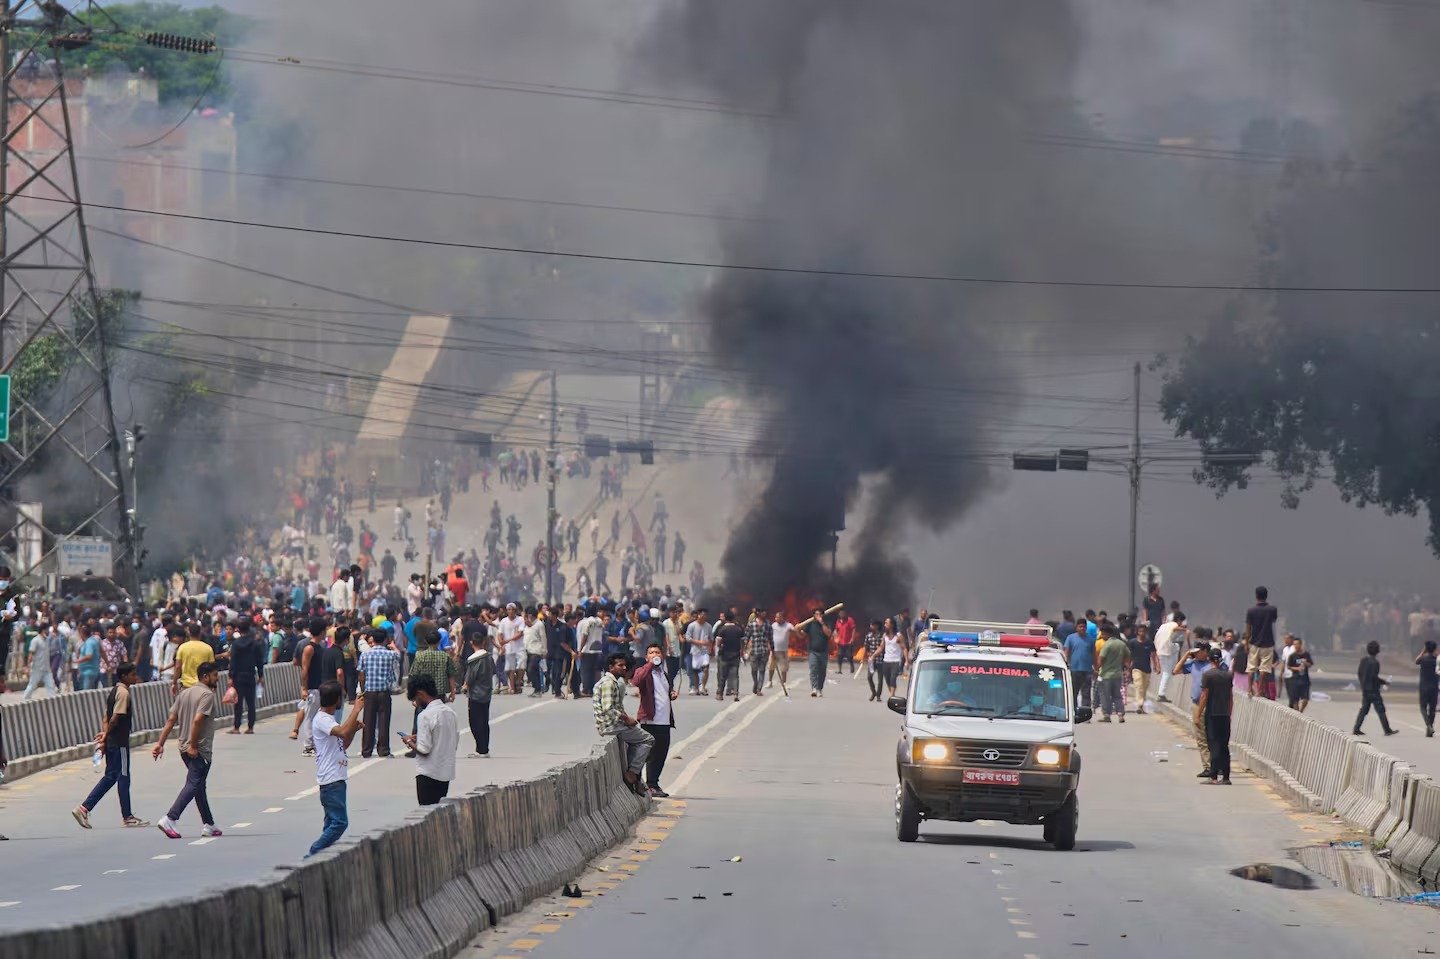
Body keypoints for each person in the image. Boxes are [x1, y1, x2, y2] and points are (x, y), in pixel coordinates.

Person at [71, 663, 148, 829]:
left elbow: (105, 717)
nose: (135, 677)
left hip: (113, 741)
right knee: (123, 777)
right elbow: (114, 718)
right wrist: (106, 735)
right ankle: (127, 816)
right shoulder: (123, 693)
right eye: (133, 674)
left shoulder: (114, 691)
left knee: (111, 777)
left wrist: (105, 736)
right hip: (119, 742)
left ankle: (84, 808)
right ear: (124, 676)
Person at [153, 662, 222, 839]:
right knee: (193, 784)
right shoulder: (207, 694)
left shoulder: (185, 693)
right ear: (205, 676)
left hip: (183, 747)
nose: (218, 678)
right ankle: (170, 818)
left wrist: (160, 743)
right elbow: (198, 720)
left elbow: (171, 719)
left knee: (199, 785)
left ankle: (209, 823)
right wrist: (193, 745)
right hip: (198, 748)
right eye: (215, 675)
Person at [308, 680, 365, 857]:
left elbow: (343, 744)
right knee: (340, 823)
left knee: (331, 823)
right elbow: (341, 732)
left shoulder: (329, 719)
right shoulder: (323, 719)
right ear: (337, 701)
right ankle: (313, 853)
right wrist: (356, 710)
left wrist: (353, 730)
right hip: (331, 779)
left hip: (335, 778)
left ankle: (320, 859)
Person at [593, 652, 652, 795]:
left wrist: (628, 719)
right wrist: (626, 720)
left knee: (636, 741)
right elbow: (608, 709)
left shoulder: (613, 682)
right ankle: (632, 773)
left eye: (624, 665)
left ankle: (634, 776)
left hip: (614, 724)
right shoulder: (609, 683)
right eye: (620, 665)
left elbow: (617, 707)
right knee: (648, 739)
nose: (623, 668)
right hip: (610, 726)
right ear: (611, 667)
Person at [399, 675, 458, 805]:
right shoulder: (450, 713)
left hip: (428, 773)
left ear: (420, 694)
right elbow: (452, 742)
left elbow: (424, 749)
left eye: (415, 699)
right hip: (445, 773)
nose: (416, 703)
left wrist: (409, 741)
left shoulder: (425, 715)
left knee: (426, 812)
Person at [633, 640, 678, 797]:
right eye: (651, 653)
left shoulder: (664, 674)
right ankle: (641, 783)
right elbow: (636, 681)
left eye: (657, 653)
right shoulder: (644, 672)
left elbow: (665, 692)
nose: (655, 655)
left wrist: (671, 694)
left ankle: (653, 783)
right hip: (650, 721)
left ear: (663, 655)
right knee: (649, 755)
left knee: (660, 755)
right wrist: (650, 665)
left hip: (664, 721)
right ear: (646, 657)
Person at [357, 630, 400, 758]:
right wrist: (393, 646)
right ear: (385, 640)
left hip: (370, 691)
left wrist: (363, 690)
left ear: (373, 640)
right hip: (384, 691)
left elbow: (361, 674)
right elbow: (399, 656)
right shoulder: (390, 654)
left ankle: (366, 750)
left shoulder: (365, 654)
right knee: (383, 721)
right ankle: (383, 750)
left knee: (368, 721)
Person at [1174, 640, 1214, 778]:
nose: (1196, 654)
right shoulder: (1193, 664)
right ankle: (1208, 766)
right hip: (1197, 704)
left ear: (1205, 652)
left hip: (1212, 704)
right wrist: (1186, 655)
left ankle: (1215, 765)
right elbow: (1176, 670)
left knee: (1212, 736)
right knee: (1201, 737)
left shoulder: (1212, 665)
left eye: (1198, 651)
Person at [1198, 647, 1233, 785]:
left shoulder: (1208, 675)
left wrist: (1198, 714)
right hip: (1225, 715)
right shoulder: (1228, 675)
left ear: (1209, 659)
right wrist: (1229, 713)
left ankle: (1213, 776)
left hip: (1212, 714)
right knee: (1224, 745)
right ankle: (1226, 777)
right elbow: (1230, 697)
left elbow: (1204, 696)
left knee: (1214, 745)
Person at [227, 619, 265, 735]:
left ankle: (236, 727)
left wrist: (230, 676)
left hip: (238, 676)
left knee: (238, 703)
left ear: (238, 629)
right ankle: (250, 727)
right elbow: (259, 661)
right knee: (251, 702)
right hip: (250, 675)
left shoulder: (236, 644)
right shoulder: (255, 644)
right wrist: (261, 675)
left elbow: (233, 661)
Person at [1354, 639, 1399, 737]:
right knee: (1380, 710)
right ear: (1378, 651)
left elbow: (1359, 673)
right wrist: (1384, 682)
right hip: (1373, 690)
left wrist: (1362, 684)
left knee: (1364, 709)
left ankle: (1356, 728)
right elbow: (1374, 677)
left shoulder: (1363, 660)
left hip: (1365, 689)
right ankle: (1387, 730)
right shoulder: (1375, 663)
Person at [460, 631, 495, 757]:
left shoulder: (474, 659)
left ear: (471, 643)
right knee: (484, 721)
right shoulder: (489, 657)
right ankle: (484, 748)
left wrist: (465, 686)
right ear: (483, 642)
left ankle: (481, 749)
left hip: (475, 694)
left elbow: (470, 676)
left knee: (475, 722)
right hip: (487, 692)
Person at [1245, 586, 1279, 699]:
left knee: (1251, 667)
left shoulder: (1251, 611)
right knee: (1264, 668)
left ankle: (1249, 689)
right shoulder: (1272, 609)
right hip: (1268, 643)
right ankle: (1260, 691)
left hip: (1254, 642)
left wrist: (1246, 643)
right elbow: (1273, 620)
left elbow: (1248, 628)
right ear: (1266, 595)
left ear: (1256, 596)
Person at [1096, 626, 1130, 722]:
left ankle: (1107, 715)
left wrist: (1096, 670)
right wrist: (1124, 665)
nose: (1102, 636)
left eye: (1103, 634)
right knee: (1117, 695)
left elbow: (1101, 658)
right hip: (1117, 674)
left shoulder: (1107, 645)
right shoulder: (1121, 644)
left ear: (1108, 634)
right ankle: (1120, 714)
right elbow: (1128, 655)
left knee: (1105, 695)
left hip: (1106, 675)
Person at [1061, 617, 1095, 709]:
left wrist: (1095, 668)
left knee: (1086, 692)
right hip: (1074, 669)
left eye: (1084, 627)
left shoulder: (1091, 639)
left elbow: (1093, 654)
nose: (1082, 629)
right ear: (1077, 627)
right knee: (1074, 692)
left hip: (1087, 670)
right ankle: (1074, 710)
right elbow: (1066, 651)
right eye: (1080, 627)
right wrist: (1066, 663)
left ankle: (1086, 711)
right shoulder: (1071, 638)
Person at [1153, 612, 1187, 703]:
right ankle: (1161, 694)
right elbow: (1176, 628)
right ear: (1179, 620)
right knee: (1167, 672)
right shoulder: (1173, 624)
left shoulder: (1163, 625)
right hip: (1166, 650)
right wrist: (1185, 630)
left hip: (1160, 650)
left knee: (1166, 672)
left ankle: (1161, 693)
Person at [172, 624, 215, 695]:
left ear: (189, 633)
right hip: (203, 687)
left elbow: (178, 667)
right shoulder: (208, 648)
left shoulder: (182, 648)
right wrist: (212, 685)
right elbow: (212, 669)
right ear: (200, 633)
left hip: (187, 687)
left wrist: (174, 683)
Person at [713, 610, 745, 701]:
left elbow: (718, 642)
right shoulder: (738, 629)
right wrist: (741, 651)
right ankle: (735, 694)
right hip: (735, 654)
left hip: (724, 655)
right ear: (733, 618)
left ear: (726, 619)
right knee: (735, 675)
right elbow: (742, 641)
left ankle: (720, 694)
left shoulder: (722, 629)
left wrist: (721, 646)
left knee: (723, 675)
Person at [1127, 623, 1159, 714]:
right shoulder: (1132, 642)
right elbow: (1129, 656)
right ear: (1137, 632)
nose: (1142, 633)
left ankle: (1141, 705)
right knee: (1139, 685)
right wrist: (1128, 668)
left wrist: (1157, 666)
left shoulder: (1149, 643)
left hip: (1147, 669)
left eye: (1144, 631)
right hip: (1136, 668)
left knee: (1144, 688)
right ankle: (1139, 704)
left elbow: (1154, 655)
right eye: (1140, 631)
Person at [802, 608, 833, 698]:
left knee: (822, 671)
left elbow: (828, 634)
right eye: (816, 614)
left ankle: (819, 688)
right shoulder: (810, 624)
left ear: (823, 615)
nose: (817, 616)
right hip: (813, 651)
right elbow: (802, 635)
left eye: (819, 614)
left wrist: (821, 623)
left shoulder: (826, 623)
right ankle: (814, 688)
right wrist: (797, 630)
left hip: (823, 652)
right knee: (813, 670)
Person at [743, 608, 771, 696]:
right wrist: (744, 648)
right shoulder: (752, 624)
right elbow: (746, 636)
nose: (765, 613)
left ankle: (759, 689)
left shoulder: (767, 624)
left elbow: (771, 637)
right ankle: (755, 683)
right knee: (754, 670)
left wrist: (773, 648)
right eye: (763, 612)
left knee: (762, 670)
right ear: (758, 613)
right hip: (754, 651)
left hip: (764, 651)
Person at [877, 617, 907, 696]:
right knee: (887, 679)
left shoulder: (898, 636)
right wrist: (873, 656)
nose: (885, 625)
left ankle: (891, 695)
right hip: (886, 660)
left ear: (892, 625)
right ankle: (892, 694)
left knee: (893, 678)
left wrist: (907, 661)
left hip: (896, 661)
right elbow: (881, 647)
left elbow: (904, 648)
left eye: (887, 623)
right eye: (885, 623)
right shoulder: (884, 636)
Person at [685, 609, 712, 695]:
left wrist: (710, 647)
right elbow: (688, 637)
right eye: (702, 615)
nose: (704, 617)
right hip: (695, 651)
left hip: (705, 651)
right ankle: (696, 687)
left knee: (706, 668)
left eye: (705, 615)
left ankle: (703, 687)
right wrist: (698, 642)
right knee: (695, 670)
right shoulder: (692, 626)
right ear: (698, 615)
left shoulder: (708, 626)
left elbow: (711, 638)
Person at [1285, 637, 1314, 712]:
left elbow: (1310, 664)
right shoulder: (1292, 656)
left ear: (1301, 644)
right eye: (1294, 644)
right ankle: (1296, 713)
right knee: (1295, 700)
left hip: (1305, 679)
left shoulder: (1306, 654)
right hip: (1295, 680)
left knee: (1305, 698)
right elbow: (1288, 666)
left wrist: (1305, 663)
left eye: (1297, 644)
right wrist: (1297, 669)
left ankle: (1301, 711)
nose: (1296, 646)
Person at [1418, 640, 1439, 737]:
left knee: (1423, 708)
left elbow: (1416, 661)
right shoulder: (1436, 661)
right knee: (1432, 709)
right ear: (1435, 649)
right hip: (1434, 688)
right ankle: (1429, 730)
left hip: (1423, 688)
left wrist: (1423, 651)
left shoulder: (1423, 659)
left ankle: (1428, 726)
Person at [768, 611, 792, 690]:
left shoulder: (788, 625)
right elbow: (769, 635)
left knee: (783, 668)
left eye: (778, 617)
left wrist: (797, 628)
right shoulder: (773, 625)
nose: (776, 619)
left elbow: (794, 630)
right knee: (771, 666)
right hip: (774, 650)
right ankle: (770, 682)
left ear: (782, 617)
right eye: (775, 617)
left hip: (783, 650)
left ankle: (784, 683)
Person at [861, 620, 884, 702]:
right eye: (871, 625)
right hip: (871, 660)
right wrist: (864, 657)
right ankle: (873, 692)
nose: (871, 627)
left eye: (873, 625)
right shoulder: (868, 636)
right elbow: (866, 647)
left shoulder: (882, 636)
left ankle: (878, 695)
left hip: (881, 660)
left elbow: (883, 648)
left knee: (880, 679)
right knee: (869, 677)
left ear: (877, 626)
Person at [832, 608, 857, 674]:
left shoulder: (850, 620)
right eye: (840, 613)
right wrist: (835, 637)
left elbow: (853, 629)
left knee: (849, 656)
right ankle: (839, 670)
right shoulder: (838, 621)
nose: (842, 614)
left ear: (845, 614)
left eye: (843, 613)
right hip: (840, 642)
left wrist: (852, 638)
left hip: (848, 641)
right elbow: (836, 630)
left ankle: (851, 665)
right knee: (839, 656)